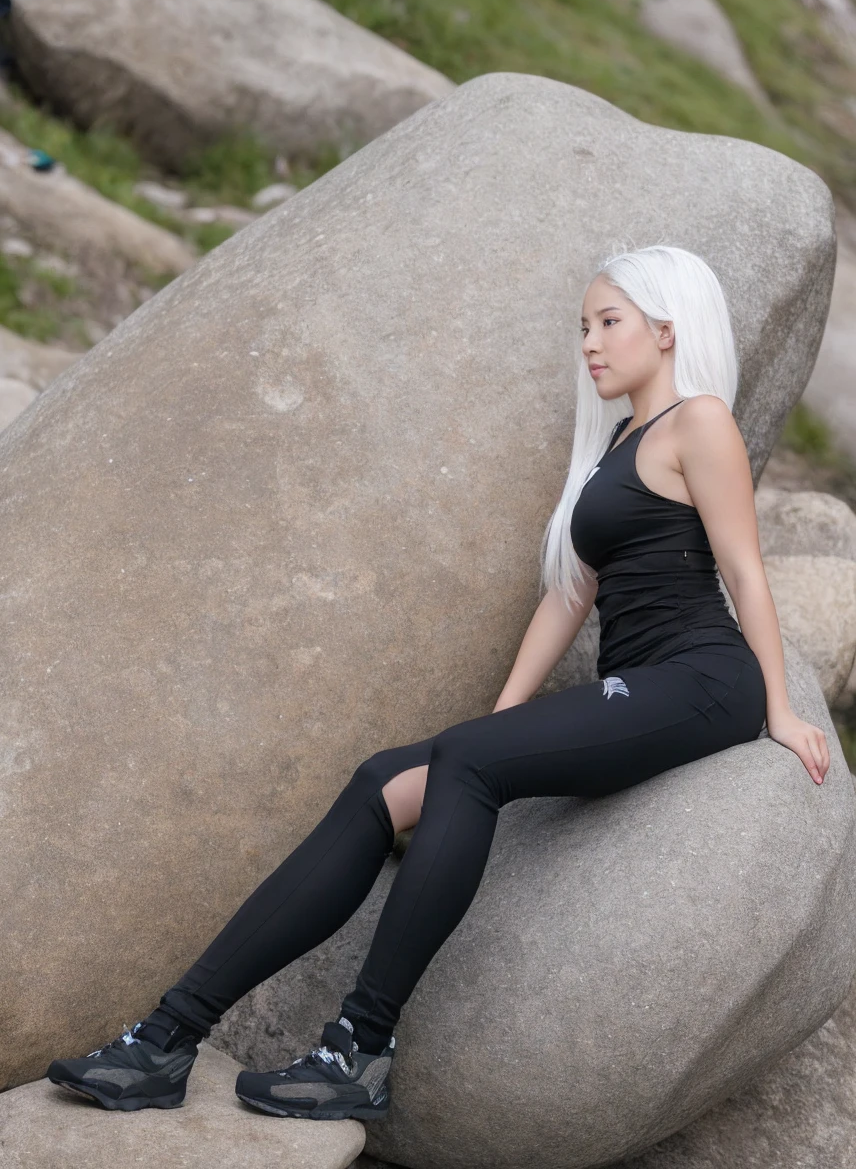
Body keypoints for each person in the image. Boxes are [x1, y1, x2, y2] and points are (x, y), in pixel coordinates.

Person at [47, 243, 830, 1120]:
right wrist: (498, 725)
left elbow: (747, 571)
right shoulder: (620, 442)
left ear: (666, 327)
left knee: (462, 762)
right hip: (639, 686)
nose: (589, 344)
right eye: (583, 326)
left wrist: (783, 711)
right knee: (381, 781)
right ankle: (165, 1038)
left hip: (701, 681)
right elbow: (569, 596)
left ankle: (359, 1052)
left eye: (608, 322)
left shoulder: (701, 422)